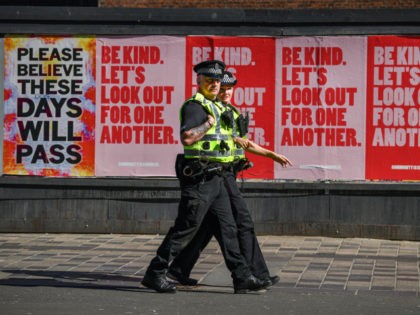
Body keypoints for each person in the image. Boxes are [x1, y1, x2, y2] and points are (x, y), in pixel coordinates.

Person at [141, 60, 266, 294]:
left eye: (217, 81)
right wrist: (207, 124)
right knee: (186, 227)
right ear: (198, 81)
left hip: (217, 177)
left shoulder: (217, 106)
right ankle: (155, 272)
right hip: (199, 177)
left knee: (228, 228)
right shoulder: (195, 106)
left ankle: (242, 277)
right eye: (209, 80)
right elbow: (187, 137)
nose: (214, 85)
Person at [167, 70, 292, 287]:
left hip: (225, 174)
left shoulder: (230, 112)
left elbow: (243, 142)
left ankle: (178, 270)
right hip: (215, 175)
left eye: (228, 88)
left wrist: (271, 154)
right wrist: (232, 138)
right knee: (238, 223)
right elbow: (202, 135)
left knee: (208, 227)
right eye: (221, 88)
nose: (225, 92)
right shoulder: (206, 107)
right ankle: (253, 274)